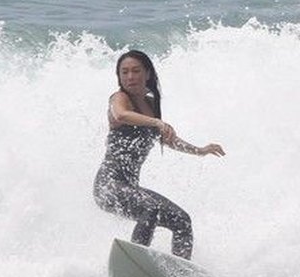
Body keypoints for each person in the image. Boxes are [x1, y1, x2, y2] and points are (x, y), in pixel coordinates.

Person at [93, 50, 225, 260]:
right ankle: (135, 263)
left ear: (147, 73)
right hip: (109, 186)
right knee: (151, 208)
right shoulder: (119, 98)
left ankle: (180, 272)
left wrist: (200, 150)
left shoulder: (151, 104)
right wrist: (157, 122)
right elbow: (121, 114)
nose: (130, 77)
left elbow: (168, 140)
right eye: (124, 72)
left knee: (181, 220)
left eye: (136, 71)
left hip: (130, 188)